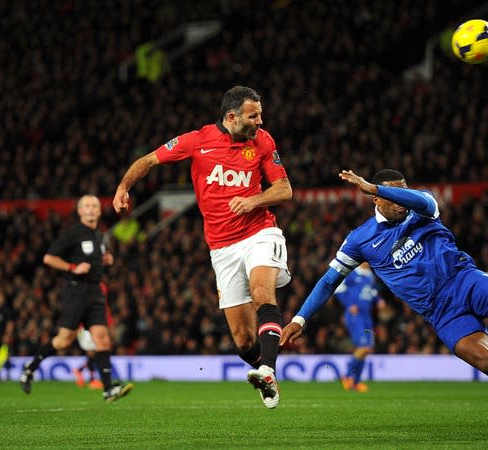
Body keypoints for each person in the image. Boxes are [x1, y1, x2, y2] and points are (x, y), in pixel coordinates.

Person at [281, 169, 488, 432]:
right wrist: (300, 319)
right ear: (376, 203)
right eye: (395, 194)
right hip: (442, 314)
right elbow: (329, 281)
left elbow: (420, 201)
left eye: (404, 191)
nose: (403, 200)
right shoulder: (360, 240)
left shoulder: (422, 208)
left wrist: (377, 188)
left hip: (465, 280)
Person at [112, 86, 292, 409]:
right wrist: (124, 187)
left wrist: (253, 200)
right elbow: (150, 160)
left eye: (261, 114)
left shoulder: (263, 142)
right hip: (221, 248)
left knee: (263, 293)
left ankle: (267, 367)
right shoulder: (198, 141)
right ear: (232, 117)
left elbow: (284, 189)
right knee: (243, 340)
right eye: (254, 116)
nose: (261, 121)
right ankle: (266, 372)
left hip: (259, 232)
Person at [19, 195, 133, 402]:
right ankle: (30, 367)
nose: (90, 209)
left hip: (95, 292)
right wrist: (73, 267)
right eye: (86, 206)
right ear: (80, 211)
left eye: (94, 206)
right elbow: (49, 258)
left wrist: (104, 259)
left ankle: (108, 390)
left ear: (99, 211)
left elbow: (92, 258)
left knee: (102, 338)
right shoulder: (72, 233)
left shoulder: (98, 235)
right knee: (63, 341)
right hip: (76, 291)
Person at [333, 262, 385, 392]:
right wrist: (349, 304)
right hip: (355, 315)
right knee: (363, 348)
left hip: (366, 316)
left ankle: (355, 382)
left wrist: (379, 300)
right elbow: (338, 289)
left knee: (367, 349)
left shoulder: (369, 276)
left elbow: (372, 292)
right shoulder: (353, 273)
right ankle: (348, 376)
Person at [0, 289, 14, 377]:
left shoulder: (6, 310)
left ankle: (7, 375)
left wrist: (7, 335)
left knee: (4, 357)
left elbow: (10, 324)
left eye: (1, 297)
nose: (0, 299)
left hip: (2, 338)